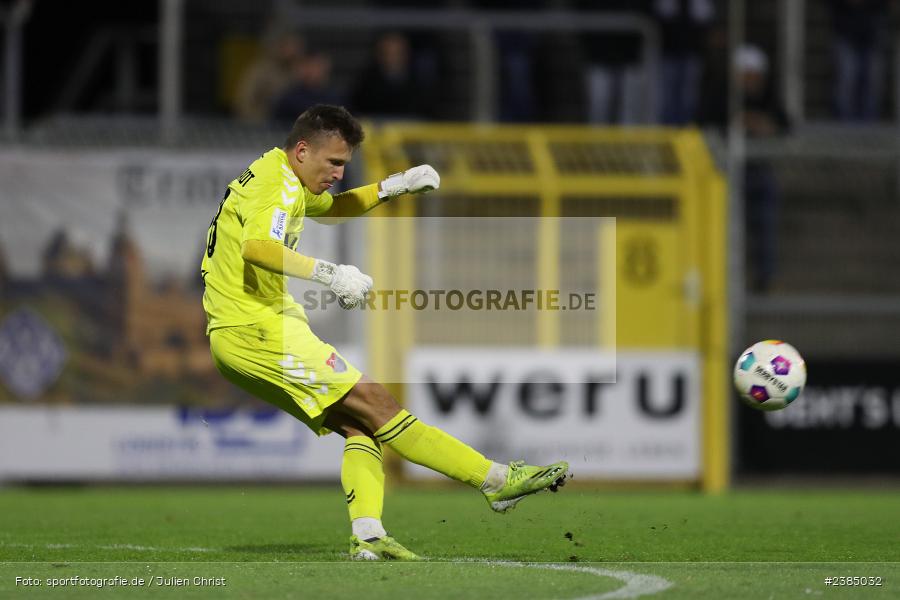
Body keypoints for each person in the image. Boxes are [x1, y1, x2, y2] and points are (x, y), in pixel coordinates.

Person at [199, 105, 570, 560]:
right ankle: (494, 480)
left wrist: (394, 186)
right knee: (379, 404)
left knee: (362, 427)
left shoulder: (279, 176)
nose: (338, 172)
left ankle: (369, 537)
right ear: (301, 151)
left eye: (344, 163)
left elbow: (332, 210)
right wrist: (330, 273)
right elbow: (259, 248)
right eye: (333, 162)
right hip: (257, 330)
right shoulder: (276, 185)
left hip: (241, 335)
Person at [270, 51, 343, 123]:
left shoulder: (335, 97)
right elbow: (276, 126)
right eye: (307, 66)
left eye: (316, 66)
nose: (311, 71)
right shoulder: (288, 99)